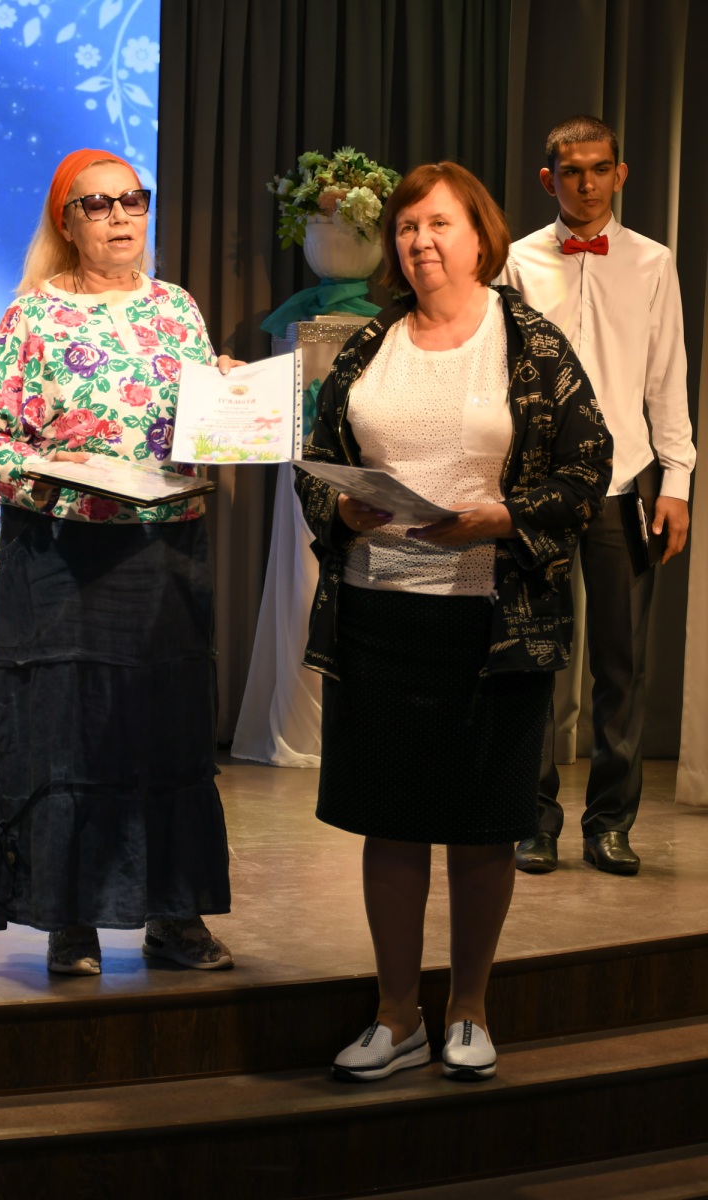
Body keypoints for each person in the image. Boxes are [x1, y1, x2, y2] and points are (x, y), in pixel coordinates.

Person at [295, 162, 612, 1083]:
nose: (420, 242)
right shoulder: (371, 343)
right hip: (377, 616)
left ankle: (468, 1009)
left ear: (481, 236)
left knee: (482, 824)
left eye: (439, 224)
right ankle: (397, 1017)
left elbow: (587, 468)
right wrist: (340, 509)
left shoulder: (532, 343)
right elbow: (319, 457)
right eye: (406, 228)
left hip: (492, 625)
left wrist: (503, 519)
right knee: (389, 821)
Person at [0, 148, 241, 975]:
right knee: (67, 736)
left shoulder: (176, 308)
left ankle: (174, 917)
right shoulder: (32, 315)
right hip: (64, 554)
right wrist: (48, 475)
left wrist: (229, 394)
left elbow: (206, 429)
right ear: (67, 222)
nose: (120, 216)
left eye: (132, 200)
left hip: (164, 547)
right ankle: (69, 920)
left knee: (167, 732)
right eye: (98, 204)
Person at [499, 116, 696, 877]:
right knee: (534, 659)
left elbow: (667, 378)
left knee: (623, 665)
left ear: (621, 173)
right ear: (548, 179)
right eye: (571, 171)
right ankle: (534, 821)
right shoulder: (517, 261)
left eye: (599, 168)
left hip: (622, 484)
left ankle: (610, 823)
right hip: (538, 489)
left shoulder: (652, 261)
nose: (586, 183)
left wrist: (676, 483)